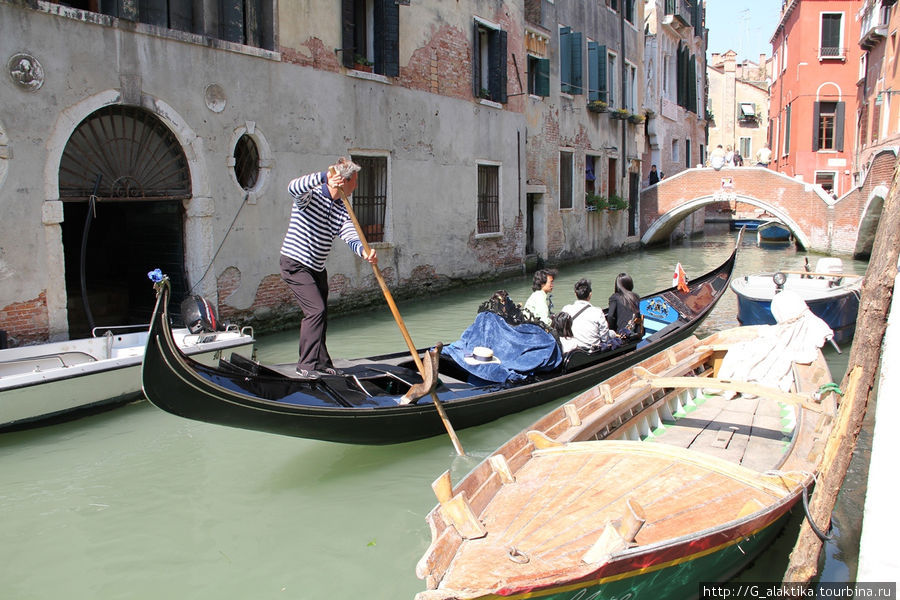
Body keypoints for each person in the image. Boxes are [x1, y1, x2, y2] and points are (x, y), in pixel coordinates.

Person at [280, 157, 378, 379]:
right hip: (295, 263)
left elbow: (349, 233)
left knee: (321, 315)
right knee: (315, 311)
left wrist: (364, 251)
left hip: (316, 267)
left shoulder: (342, 207)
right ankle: (305, 365)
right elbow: (292, 187)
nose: (357, 186)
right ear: (344, 181)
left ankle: (322, 362)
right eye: (355, 181)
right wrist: (323, 177)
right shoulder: (310, 196)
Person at [560, 278, 614, 350]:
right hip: (592, 350)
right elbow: (604, 338)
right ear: (590, 294)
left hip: (573, 349)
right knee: (612, 333)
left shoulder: (566, 309)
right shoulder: (597, 312)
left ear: (575, 294)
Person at [607, 273, 644, 339]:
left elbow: (610, 316)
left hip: (621, 334)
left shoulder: (614, 297)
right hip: (636, 333)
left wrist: (611, 331)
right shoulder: (636, 296)